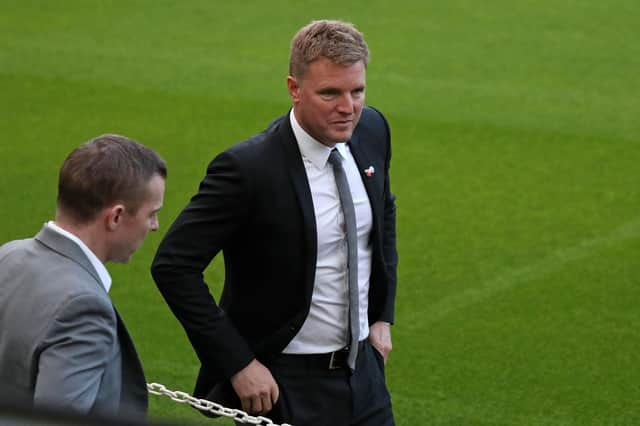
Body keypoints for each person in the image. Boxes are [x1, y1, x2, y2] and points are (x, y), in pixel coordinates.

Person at [151, 19, 397, 426]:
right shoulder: (247, 169)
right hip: (284, 387)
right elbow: (174, 266)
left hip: (365, 377)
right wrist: (238, 363)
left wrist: (381, 318)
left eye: (357, 91)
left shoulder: (372, 130)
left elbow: (383, 212)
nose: (348, 107)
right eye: (330, 93)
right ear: (294, 89)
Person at [0, 134, 167, 420]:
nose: (154, 226)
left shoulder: (8, 255)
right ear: (115, 217)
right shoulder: (84, 308)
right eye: (151, 214)